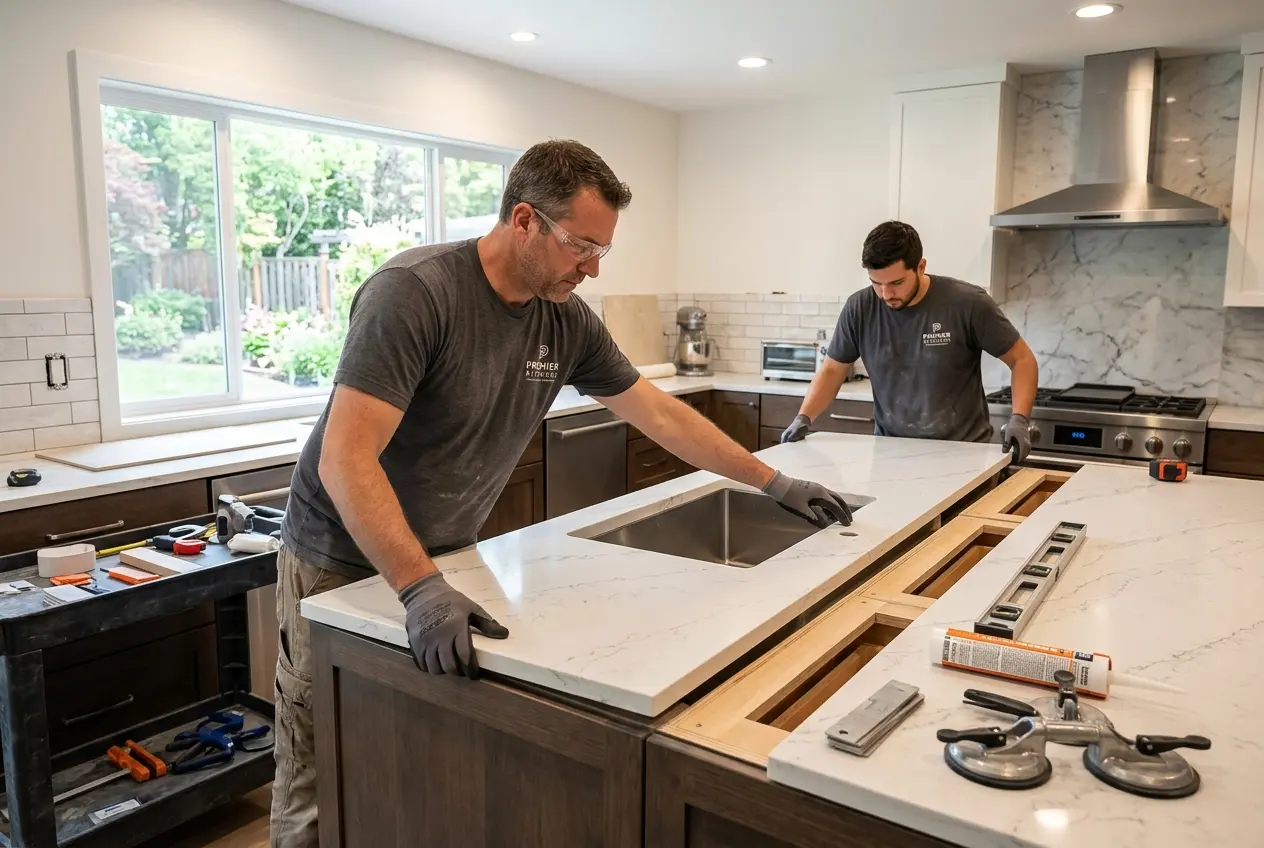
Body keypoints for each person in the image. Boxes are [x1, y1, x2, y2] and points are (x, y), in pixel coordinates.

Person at [269, 139, 853, 848]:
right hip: (341, 556)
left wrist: (775, 480)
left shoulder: (565, 318)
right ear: (523, 220)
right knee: (318, 757)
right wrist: (418, 586)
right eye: (582, 245)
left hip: (448, 554)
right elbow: (345, 457)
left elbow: (661, 414)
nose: (593, 266)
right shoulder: (415, 294)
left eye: (602, 250)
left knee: (416, 751)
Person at [782, 221, 1037, 457]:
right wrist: (804, 417)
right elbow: (832, 371)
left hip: (962, 453)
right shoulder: (860, 308)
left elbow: (1022, 359)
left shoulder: (967, 303)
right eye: (876, 283)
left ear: (921, 267)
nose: (885, 294)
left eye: (896, 282)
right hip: (890, 453)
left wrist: (1019, 419)